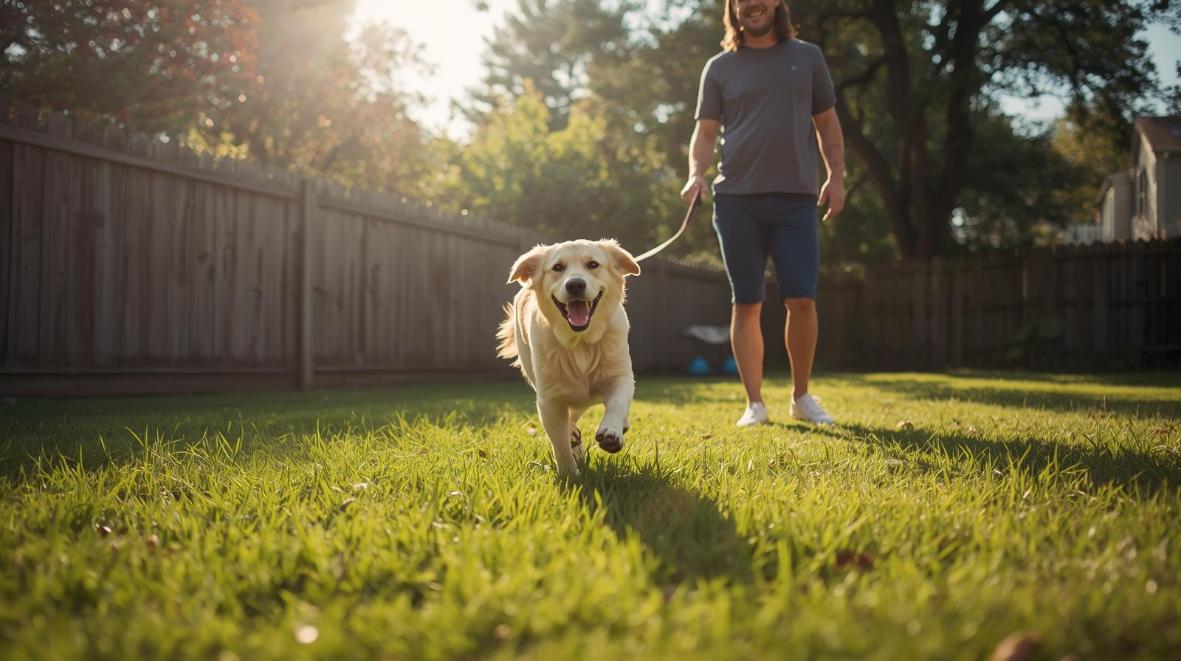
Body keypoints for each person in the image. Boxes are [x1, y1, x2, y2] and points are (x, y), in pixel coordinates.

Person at [680, 0, 845, 426]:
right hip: (736, 200)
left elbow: (827, 123)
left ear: (775, 3)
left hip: (796, 197)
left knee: (802, 299)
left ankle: (801, 396)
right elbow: (705, 132)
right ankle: (754, 403)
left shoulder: (808, 57)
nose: (750, 4)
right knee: (746, 302)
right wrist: (696, 173)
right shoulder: (719, 67)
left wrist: (837, 177)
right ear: (733, 9)